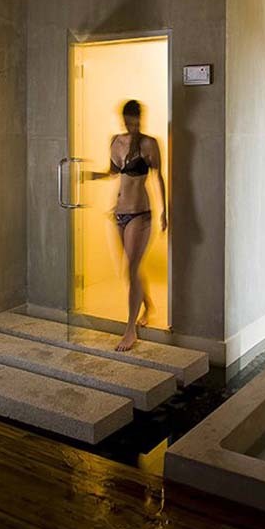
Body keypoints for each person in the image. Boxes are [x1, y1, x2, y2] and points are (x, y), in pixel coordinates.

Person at [87, 99, 167, 352]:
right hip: (119, 213)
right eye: (127, 121)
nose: (131, 125)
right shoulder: (115, 141)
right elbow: (113, 172)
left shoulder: (149, 144)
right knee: (130, 269)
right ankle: (148, 305)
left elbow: (158, 177)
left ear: (140, 119)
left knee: (132, 268)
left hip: (140, 214)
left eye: (135, 121)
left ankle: (130, 329)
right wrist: (92, 175)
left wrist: (164, 212)